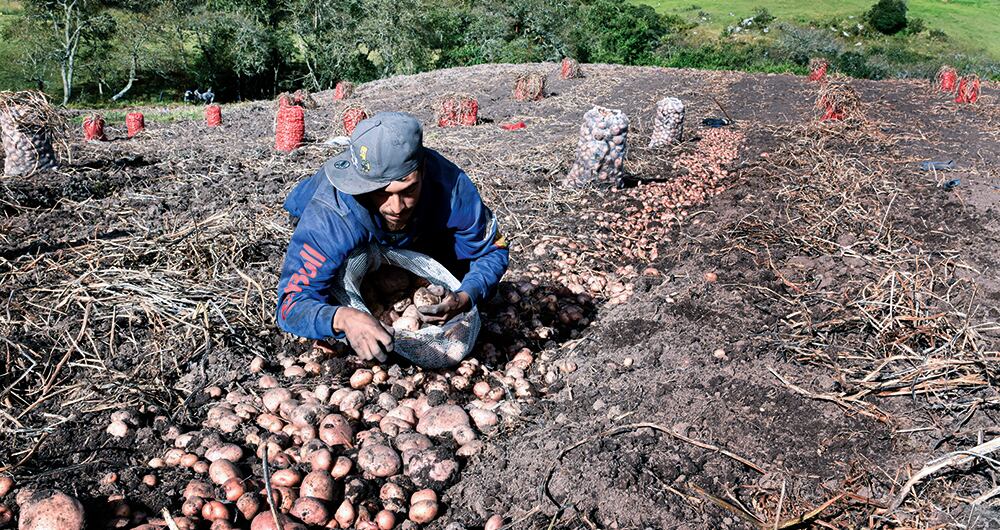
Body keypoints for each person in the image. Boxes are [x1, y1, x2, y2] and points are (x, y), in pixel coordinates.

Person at [275, 112, 509, 362]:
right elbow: (291, 305)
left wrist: (465, 297)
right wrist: (343, 318)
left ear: (423, 170)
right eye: (381, 193)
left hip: (415, 229)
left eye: (408, 190)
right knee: (337, 279)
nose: (396, 207)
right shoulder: (331, 216)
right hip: (334, 225)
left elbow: (492, 250)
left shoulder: (451, 188)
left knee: (462, 275)